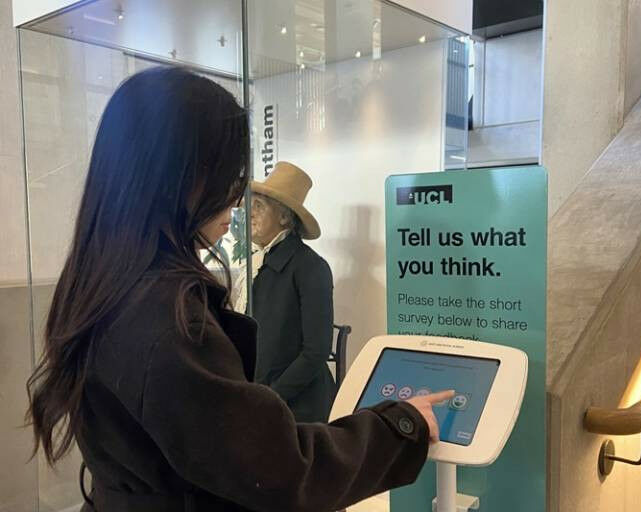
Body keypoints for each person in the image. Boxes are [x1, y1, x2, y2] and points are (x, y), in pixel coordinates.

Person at [25, 66, 453, 512]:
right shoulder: (163, 311)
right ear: (185, 175)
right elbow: (278, 469)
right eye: (232, 180)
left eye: (254, 198)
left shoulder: (106, 285)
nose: (241, 203)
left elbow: (307, 356)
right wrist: (396, 427)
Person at [245, 161, 336, 423]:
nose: (250, 214)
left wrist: (272, 396)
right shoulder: (260, 264)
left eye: (259, 207)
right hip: (263, 399)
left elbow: (316, 352)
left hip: (299, 410)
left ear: (284, 217)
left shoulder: (310, 267)